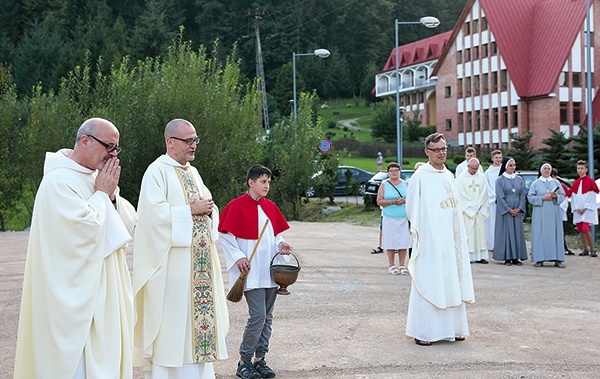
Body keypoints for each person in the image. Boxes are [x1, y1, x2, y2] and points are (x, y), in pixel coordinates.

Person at [14, 118, 138, 378]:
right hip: (75, 299)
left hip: (105, 291)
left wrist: (112, 196)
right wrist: (103, 195)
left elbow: (125, 224)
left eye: (117, 149)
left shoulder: (96, 177)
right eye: (109, 147)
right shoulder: (58, 182)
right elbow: (80, 236)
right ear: (85, 141)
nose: (113, 155)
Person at [133, 119, 229, 378]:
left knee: (199, 335)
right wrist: (190, 211)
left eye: (195, 140)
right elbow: (151, 220)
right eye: (188, 140)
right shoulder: (157, 171)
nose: (193, 145)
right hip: (173, 274)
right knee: (174, 334)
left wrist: (209, 210)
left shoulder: (193, 173)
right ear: (170, 142)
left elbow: (208, 207)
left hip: (201, 273)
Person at [218, 164, 293, 379]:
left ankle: (260, 360)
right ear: (251, 183)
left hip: (269, 270)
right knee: (258, 316)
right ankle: (244, 361)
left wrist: (282, 244)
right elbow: (225, 236)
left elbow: (275, 235)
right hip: (250, 271)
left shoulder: (270, 206)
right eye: (263, 181)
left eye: (269, 182)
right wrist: (238, 256)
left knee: (267, 317)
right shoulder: (236, 206)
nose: (267, 185)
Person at [405, 133, 475, 346]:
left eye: (444, 148)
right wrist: (424, 234)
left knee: (452, 279)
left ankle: (453, 329)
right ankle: (425, 331)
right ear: (427, 152)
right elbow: (412, 209)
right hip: (431, 240)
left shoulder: (449, 175)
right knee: (431, 279)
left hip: (451, 240)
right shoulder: (420, 177)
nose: (442, 153)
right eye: (437, 149)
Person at [527, 163, 567, 268]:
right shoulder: (535, 183)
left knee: (556, 234)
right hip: (540, 212)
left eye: (548, 169)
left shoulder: (556, 182)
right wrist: (542, 198)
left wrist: (556, 196)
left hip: (554, 213)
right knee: (539, 234)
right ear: (541, 170)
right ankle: (539, 259)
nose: (547, 170)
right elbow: (530, 198)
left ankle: (558, 259)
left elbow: (563, 196)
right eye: (545, 168)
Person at [376, 162, 411, 275]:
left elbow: (412, 198)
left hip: (403, 217)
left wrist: (404, 201)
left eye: (396, 170)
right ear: (388, 172)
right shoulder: (384, 184)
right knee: (390, 241)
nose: (394, 172)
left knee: (403, 241)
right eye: (392, 170)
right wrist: (392, 202)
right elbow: (379, 201)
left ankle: (402, 265)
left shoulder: (405, 184)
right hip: (389, 217)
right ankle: (391, 265)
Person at [493, 157, 528, 266]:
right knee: (506, 233)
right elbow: (500, 197)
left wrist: (519, 208)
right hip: (506, 210)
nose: (513, 167)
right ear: (505, 167)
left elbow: (523, 194)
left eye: (514, 165)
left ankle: (516, 257)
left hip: (517, 208)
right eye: (510, 165)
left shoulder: (519, 179)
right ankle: (507, 257)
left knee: (517, 233)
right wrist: (508, 209)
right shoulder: (499, 180)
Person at [456, 158, 490, 264]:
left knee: (480, 233)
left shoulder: (481, 177)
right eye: (473, 168)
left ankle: (481, 256)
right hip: (468, 211)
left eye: (476, 168)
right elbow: (460, 194)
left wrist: (479, 204)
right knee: (469, 234)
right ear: (468, 166)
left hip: (479, 210)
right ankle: (469, 256)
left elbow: (485, 191)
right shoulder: (461, 179)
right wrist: (471, 206)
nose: (475, 171)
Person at [570, 160, 600, 257]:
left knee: (585, 229)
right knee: (580, 229)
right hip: (578, 210)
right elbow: (573, 196)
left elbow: (591, 196)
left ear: (586, 169)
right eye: (578, 168)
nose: (580, 170)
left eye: (582, 168)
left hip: (587, 210)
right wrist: (576, 208)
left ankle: (592, 249)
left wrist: (585, 207)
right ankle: (585, 249)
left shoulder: (590, 181)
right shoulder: (576, 182)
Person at [552, 168, 574, 255]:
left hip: (560, 211)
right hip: (551, 212)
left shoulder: (561, 186)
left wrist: (560, 207)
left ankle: (563, 247)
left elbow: (566, 197)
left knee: (561, 231)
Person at [484, 150, 503, 253]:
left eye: (500, 158)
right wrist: (495, 195)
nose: (498, 160)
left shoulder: (504, 171)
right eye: (496, 158)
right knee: (492, 223)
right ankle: (492, 244)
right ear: (492, 159)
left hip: (503, 200)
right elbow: (487, 186)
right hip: (493, 200)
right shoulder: (488, 172)